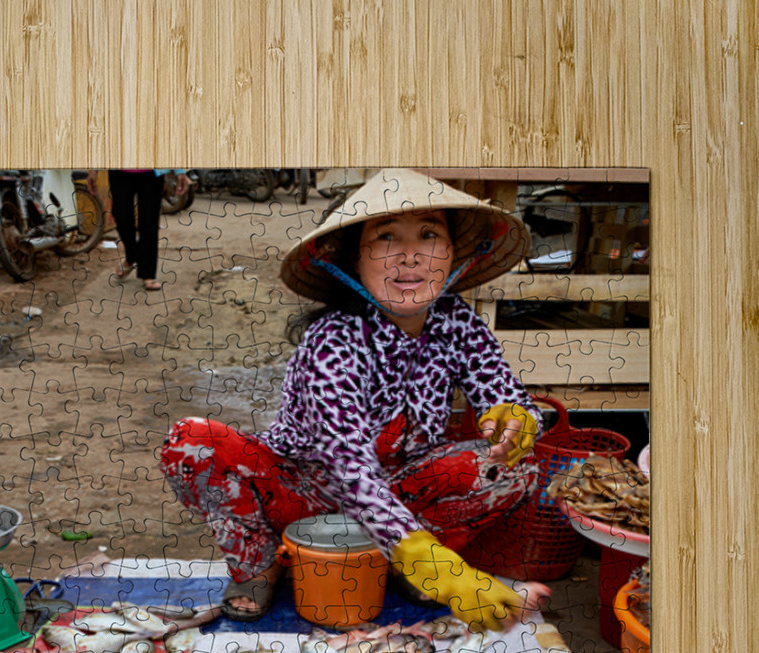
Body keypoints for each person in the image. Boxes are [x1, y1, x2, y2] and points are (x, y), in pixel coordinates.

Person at [160, 167, 548, 627]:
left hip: (402, 487)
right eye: (386, 238)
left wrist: (515, 418)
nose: (409, 256)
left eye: (428, 235)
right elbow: (348, 466)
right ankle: (260, 564)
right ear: (352, 262)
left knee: (515, 466)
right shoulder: (334, 338)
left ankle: (404, 567)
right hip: (302, 490)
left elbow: (502, 392)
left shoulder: (459, 323)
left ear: (453, 255)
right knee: (192, 443)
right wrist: (434, 564)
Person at [107, 169, 188, 290]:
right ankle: (131, 256)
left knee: (149, 221)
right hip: (119, 168)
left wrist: (180, 171)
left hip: (152, 170)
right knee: (121, 216)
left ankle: (148, 274)